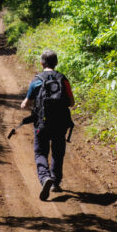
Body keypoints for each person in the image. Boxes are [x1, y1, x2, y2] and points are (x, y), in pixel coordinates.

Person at [20, 49, 75, 201]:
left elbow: (26, 104)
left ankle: (45, 178)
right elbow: (71, 103)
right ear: (56, 63)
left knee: (40, 152)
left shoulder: (37, 80)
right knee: (58, 152)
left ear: (41, 63)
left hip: (41, 124)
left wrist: (23, 104)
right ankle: (55, 183)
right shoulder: (63, 79)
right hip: (61, 123)